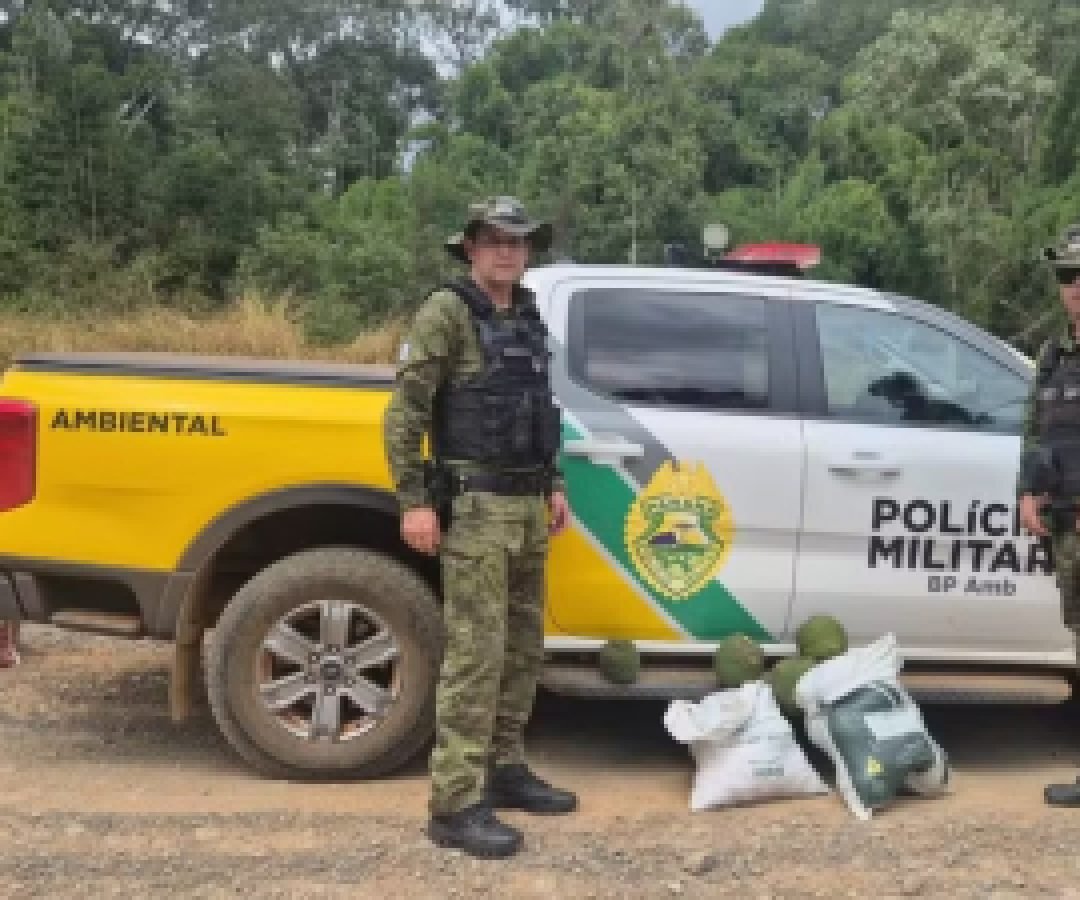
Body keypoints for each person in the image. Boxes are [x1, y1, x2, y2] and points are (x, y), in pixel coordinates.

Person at [383, 197, 576, 858]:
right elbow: (406, 410)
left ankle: (505, 767)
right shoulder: (447, 313)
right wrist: (414, 499)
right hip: (475, 506)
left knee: (522, 645)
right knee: (476, 653)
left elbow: (538, 408)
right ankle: (455, 802)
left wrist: (553, 484)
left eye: (518, 242)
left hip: (525, 506)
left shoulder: (525, 313)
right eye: (493, 240)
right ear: (470, 247)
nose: (507, 252)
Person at [1016, 224, 1080, 806]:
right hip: (1065, 523)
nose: (1077, 284)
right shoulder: (1053, 358)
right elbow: (1036, 433)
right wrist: (1028, 491)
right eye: (1067, 274)